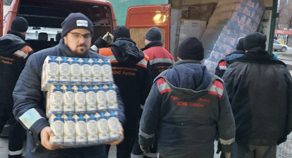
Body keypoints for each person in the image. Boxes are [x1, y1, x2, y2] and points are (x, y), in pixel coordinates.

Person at [12, 13, 125, 158]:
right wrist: (40, 128)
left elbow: (115, 100)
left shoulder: (100, 64)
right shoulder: (39, 61)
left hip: (92, 151)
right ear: (64, 36)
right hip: (49, 152)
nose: (82, 40)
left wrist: (117, 121)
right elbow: (22, 104)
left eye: (86, 35)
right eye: (76, 35)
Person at [139, 37, 235, 158]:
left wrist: (145, 141)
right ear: (201, 57)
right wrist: (226, 147)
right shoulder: (217, 85)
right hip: (202, 152)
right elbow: (226, 119)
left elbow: (149, 115)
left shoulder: (162, 82)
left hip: (169, 150)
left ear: (179, 57)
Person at [223, 32, 292, 158]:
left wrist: (223, 136)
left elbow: (224, 105)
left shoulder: (235, 69)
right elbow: (291, 107)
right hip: (270, 136)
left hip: (241, 136)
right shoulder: (281, 71)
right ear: (264, 47)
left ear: (245, 48)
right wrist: (283, 133)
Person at [0, 16, 33, 158]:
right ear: (24, 31)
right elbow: (29, 77)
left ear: (11, 28)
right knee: (15, 128)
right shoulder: (26, 50)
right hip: (16, 97)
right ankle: (14, 155)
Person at [97, 26, 150, 158]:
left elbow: (86, 57)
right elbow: (146, 90)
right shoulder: (143, 58)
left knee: (101, 150)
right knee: (125, 151)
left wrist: (100, 41)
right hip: (131, 112)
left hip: (106, 110)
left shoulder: (102, 53)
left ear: (114, 38)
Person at [132, 27, 175, 158]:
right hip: (166, 103)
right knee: (156, 135)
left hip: (146, 103)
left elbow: (139, 81)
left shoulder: (144, 55)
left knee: (142, 132)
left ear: (147, 40)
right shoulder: (170, 57)